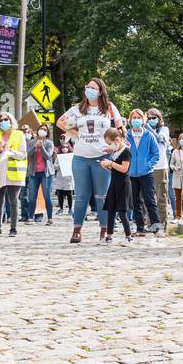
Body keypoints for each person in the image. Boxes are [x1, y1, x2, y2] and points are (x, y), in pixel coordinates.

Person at [56, 77, 121, 244]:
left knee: (102, 196)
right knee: (81, 196)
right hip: (81, 157)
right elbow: (60, 122)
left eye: (93, 87)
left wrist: (113, 147)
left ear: (100, 91)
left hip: (102, 156)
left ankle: (105, 229)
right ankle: (77, 230)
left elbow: (120, 130)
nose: (89, 89)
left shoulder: (109, 108)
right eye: (87, 87)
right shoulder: (78, 108)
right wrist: (76, 134)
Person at [0, 111, 27, 237]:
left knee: (14, 201)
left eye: (6, 119)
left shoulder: (19, 135)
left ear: (11, 120)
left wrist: (10, 151)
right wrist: (0, 151)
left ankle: (13, 229)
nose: (3, 122)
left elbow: (23, 154)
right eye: (1, 120)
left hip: (14, 173)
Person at [125, 109, 161, 235]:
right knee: (135, 201)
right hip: (131, 174)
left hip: (147, 173)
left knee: (150, 200)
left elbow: (156, 154)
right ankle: (140, 227)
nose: (136, 120)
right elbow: (120, 152)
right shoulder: (126, 136)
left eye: (138, 117)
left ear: (143, 120)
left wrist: (147, 165)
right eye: (133, 117)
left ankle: (156, 226)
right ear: (130, 120)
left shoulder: (149, 135)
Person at [98, 126, 134, 244]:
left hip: (123, 184)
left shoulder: (126, 151)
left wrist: (111, 163)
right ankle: (109, 234)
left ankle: (128, 234)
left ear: (117, 140)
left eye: (110, 143)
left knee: (122, 211)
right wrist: (107, 166)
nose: (110, 146)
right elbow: (114, 169)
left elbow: (124, 169)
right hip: (114, 183)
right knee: (111, 209)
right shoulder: (116, 152)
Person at [23, 123, 54, 225]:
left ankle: (49, 218)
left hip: (46, 174)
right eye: (41, 129)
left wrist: (41, 147)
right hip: (33, 172)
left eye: (45, 129)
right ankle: (30, 217)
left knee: (47, 196)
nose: (42, 130)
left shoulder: (49, 143)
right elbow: (27, 154)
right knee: (32, 196)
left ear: (47, 132)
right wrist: (35, 147)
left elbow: (48, 157)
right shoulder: (32, 142)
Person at [148, 108, 171, 225]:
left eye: (153, 118)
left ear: (158, 118)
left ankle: (162, 224)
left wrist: (147, 128)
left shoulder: (164, 129)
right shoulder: (144, 130)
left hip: (160, 166)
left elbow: (159, 139)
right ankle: (150, 223)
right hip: (148, 167)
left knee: (161, 196)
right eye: (149, 118)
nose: (151, 120)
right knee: (148, 197)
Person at [53, 135, 74, 216]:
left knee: (69, 194)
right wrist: (61, 165)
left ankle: (70, 209)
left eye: (66, 147)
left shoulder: (71, 157)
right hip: (60, 177)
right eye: (63, 147)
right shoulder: (58, 157)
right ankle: (61, 208)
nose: (65, 148)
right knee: (60, 194)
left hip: (68, 178)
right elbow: (55, 166)